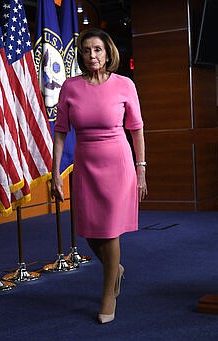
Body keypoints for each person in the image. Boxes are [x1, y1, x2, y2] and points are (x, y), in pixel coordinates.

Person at [50, 28, 147, 324]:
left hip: (118, 163)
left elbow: (136, 129)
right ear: (81, 54)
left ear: (108, 53)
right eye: (87, 50)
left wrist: (141, 169)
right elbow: (61, 133)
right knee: (89, 231)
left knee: (109, 229)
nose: (92, 55)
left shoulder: (124, 84)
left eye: (98, 50)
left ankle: (107, 294)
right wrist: (55, 173)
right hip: (86, 164)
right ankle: (113, 268)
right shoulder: (70, 86)